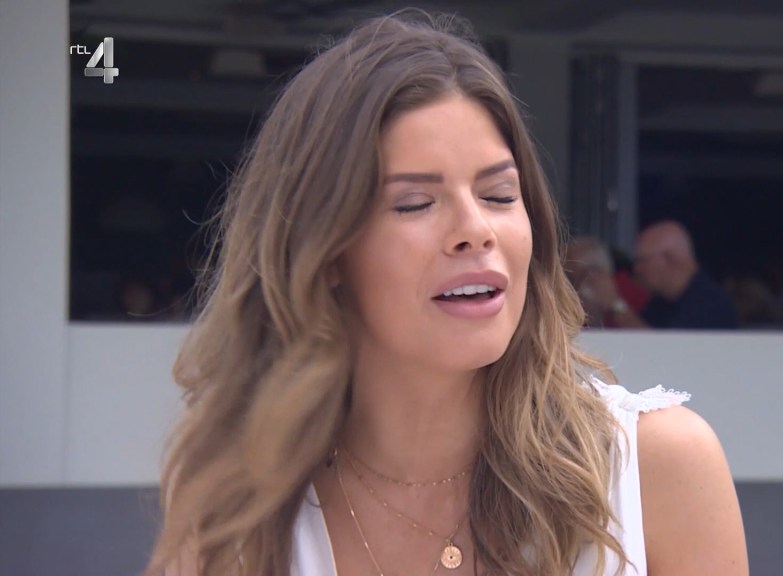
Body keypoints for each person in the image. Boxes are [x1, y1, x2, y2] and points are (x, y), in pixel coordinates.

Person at [147, 12, 747, 576]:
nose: (475, 230)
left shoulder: (655, 467)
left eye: (499, 195)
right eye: (415, 203)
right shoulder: (235, 498)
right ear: (324, 252)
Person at [634, 221, 739, 330]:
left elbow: (669, 340)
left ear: (670, 258)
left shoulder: (712, 305)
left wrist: (621, 310)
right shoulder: (659, 304)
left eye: (643, 260)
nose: (637, 269)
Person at [564, 236, 649, 328]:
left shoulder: (633, 291)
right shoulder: (569, 295)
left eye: (571, 277)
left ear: (594, 273)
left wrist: (615, 305)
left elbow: (647, 335)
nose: (569, 284)